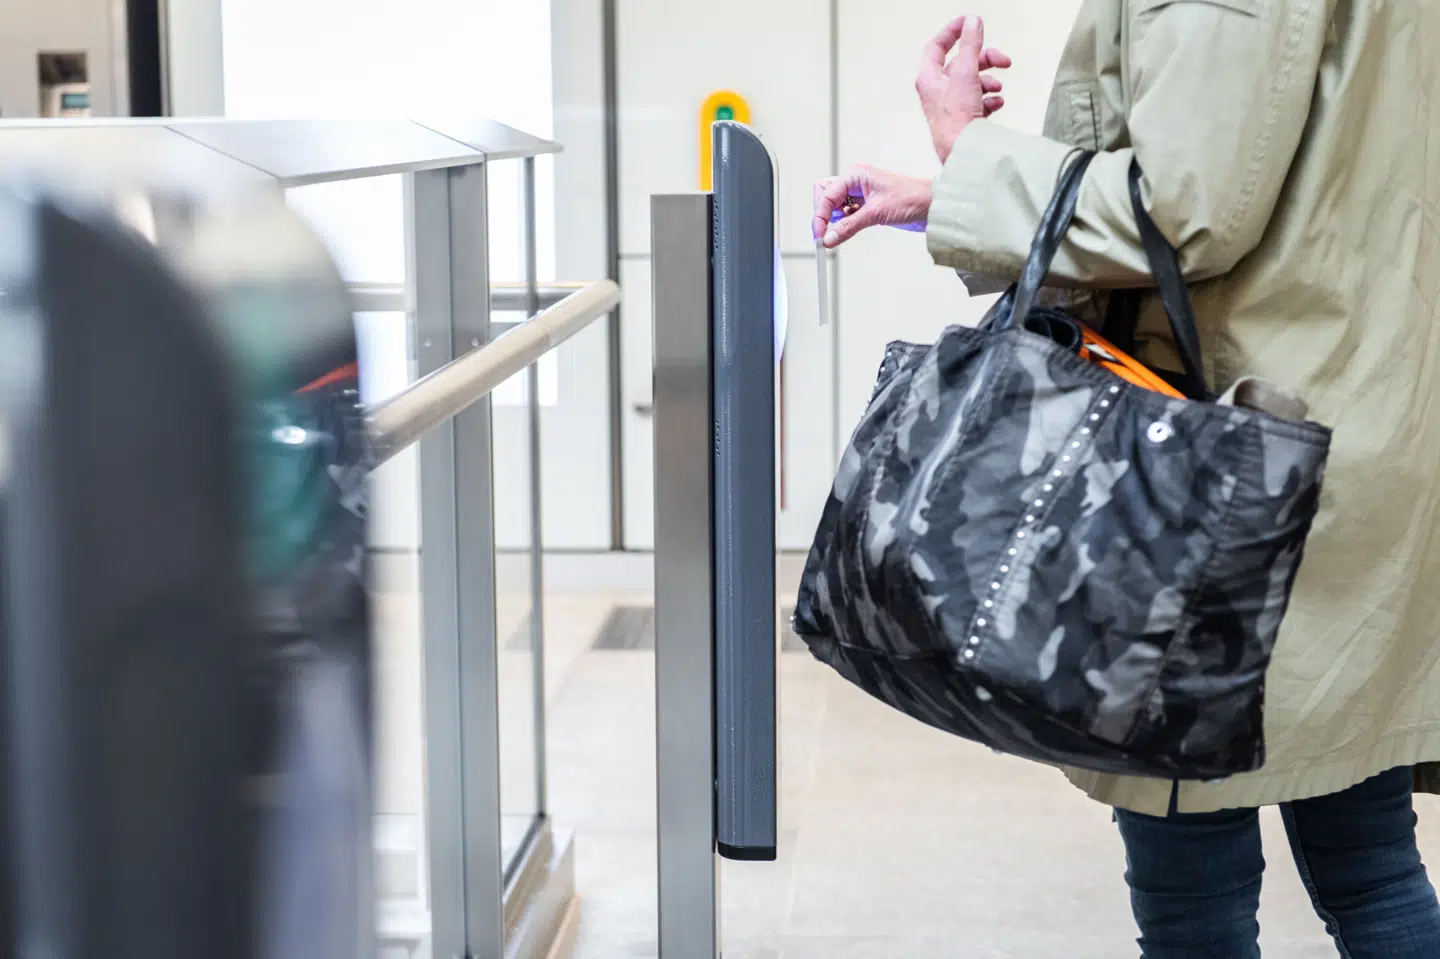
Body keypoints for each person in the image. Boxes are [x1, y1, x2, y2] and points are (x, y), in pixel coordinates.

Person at [813, 6, 1440, 958]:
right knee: (1371, 865)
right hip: (1343, 429)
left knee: (1198, 901)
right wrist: (946, 188)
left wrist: (970, 152)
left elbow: (1186, 210)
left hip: (1211, 472)